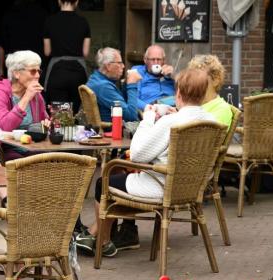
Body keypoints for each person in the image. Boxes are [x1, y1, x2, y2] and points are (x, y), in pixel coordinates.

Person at [76, 68, 217, 257]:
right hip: (191, 188)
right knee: (119, 173)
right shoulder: (212, 121)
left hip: (161, 187)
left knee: (105, 182)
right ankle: (97, 235)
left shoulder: (171, 122)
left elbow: (136, 155)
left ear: (178, 93)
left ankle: (103, 241)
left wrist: (149, 118)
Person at [0, 50, 49, 160]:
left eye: (39, 71)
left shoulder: (36, 96)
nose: (37, 76)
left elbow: (43, 121)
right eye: (33, 71)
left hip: (30, 146)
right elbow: (5, 126)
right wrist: (26, 97)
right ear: (16, 73)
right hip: (1, 149)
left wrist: (46, 124)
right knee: (23, 163)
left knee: (53, 159)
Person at [43, 0, 90, 114]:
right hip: (78, 72)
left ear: (59, 1)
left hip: (57, 71)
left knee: (60, 117)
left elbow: (47, 52)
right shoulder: (83, 22)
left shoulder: (50, 21)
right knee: (76, 114)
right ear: (77, 2)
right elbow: (85, 52)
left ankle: (61, 131)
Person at [86, 47, 142, 124]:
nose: (123, 66)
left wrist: (126, 84)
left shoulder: (95, 79)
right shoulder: (104, 87)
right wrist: (132, 84)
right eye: (120, 63)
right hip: (113, 132)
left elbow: (124, 105)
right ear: (108, 66)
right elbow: (131, 117)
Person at [187, 54, 233, 129]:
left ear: (216, 80)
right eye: (192, 77)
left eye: (200, 77)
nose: (193, 81)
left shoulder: (222, 109)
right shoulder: (194, 104)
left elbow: (202, 135)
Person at [131, 45, 176, 111]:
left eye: (159, 59)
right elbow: (133, 99)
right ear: (145, 60)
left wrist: (174, 76)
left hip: (173, 109)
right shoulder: (138, 72)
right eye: (152, 59)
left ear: (164, 61)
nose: (156, 62)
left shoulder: (169, 73)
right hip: (152, 110)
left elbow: (184, 95)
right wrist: (148, 107)